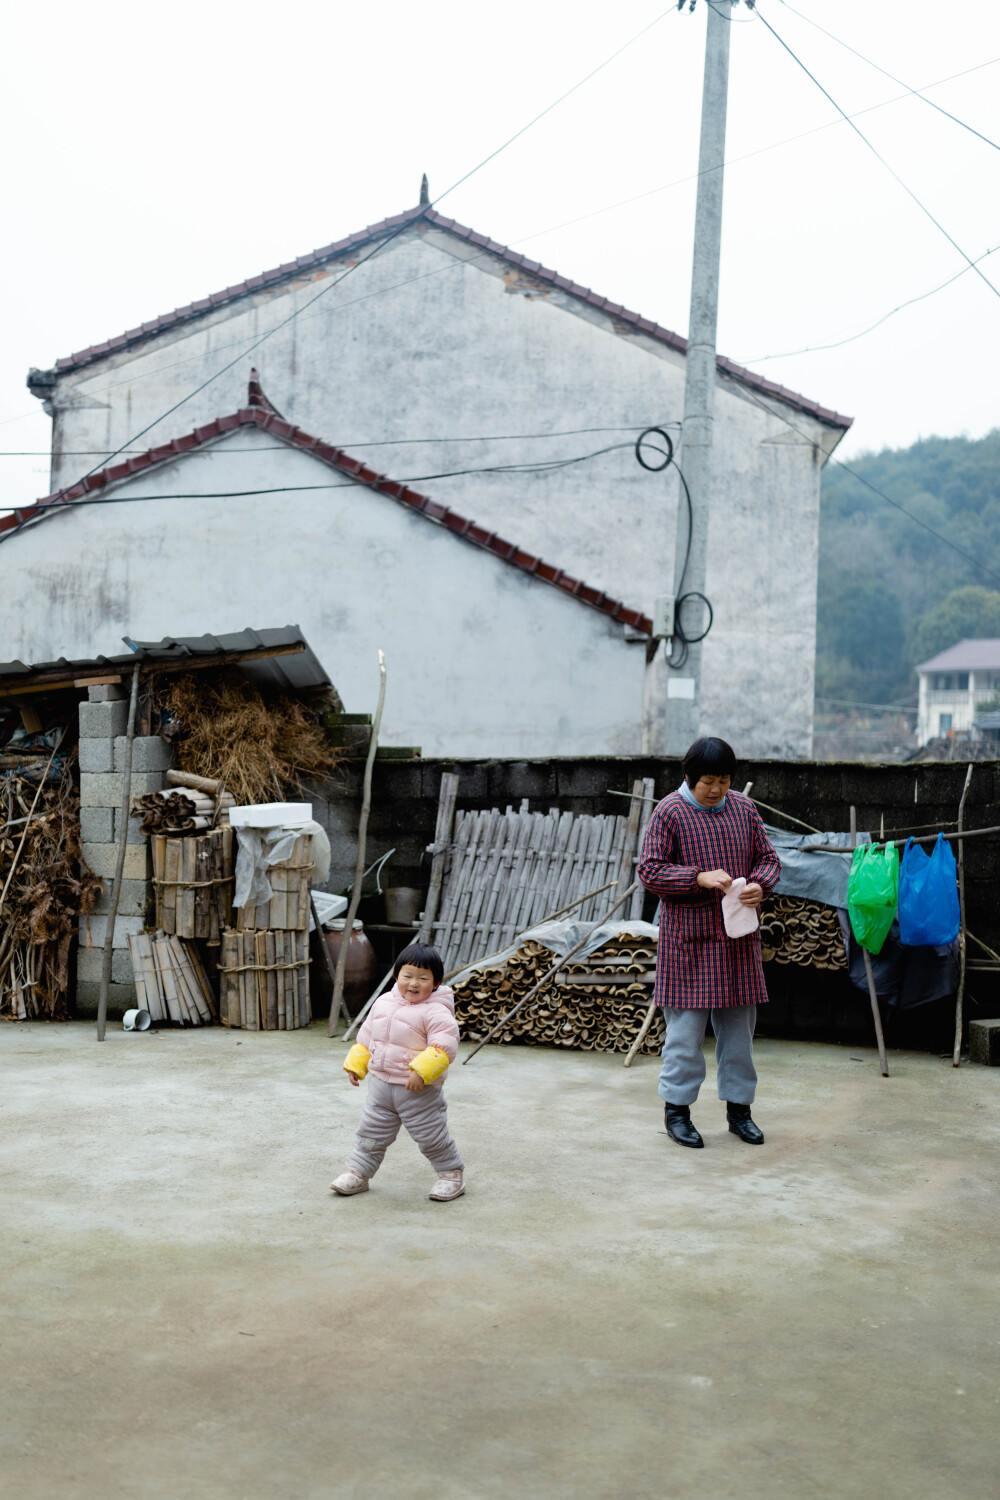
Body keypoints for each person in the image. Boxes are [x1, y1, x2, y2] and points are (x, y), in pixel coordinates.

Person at [637, 736, 781, 1149]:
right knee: (684, 1038)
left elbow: (769, 859)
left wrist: (760, 885)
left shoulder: (744, 809)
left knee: (739, 1038)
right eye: (707, 782)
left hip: (737, 942)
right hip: (688, 945)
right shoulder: (668, 812)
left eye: (723, 780)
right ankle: (677, 1113)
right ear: (689, 777)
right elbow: (649, 871)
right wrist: (697, 877)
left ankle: (740, 1112)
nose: (716, 789)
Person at [331, 942, 466, 1201]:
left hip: (418, 1090)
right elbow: (367, 1037)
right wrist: (356, 1064)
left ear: (436, 983)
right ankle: (358, 1173)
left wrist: (421, 1071)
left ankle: (451, 1175)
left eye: (423, 978)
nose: (413, 983)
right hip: (381, 1088)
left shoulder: (437, 1012)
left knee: (431, 1136)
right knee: (370, 1134)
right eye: (407, 975)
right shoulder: (383, 1003)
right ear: (397, 975)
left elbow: (444, 1046)